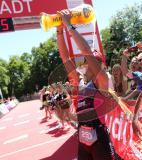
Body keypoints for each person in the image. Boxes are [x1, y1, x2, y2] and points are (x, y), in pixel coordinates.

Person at [56, 9, 119, 160]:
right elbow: (65, 59)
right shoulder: (80, 82)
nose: (85, 63)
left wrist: (69, 25)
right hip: (83, 137)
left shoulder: (103, 79)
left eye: (89, 60)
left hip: (100, 137)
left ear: (98, 63)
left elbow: (86, 51)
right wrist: (59, 31)